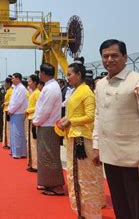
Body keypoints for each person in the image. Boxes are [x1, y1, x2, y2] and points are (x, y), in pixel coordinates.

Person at [92, 39, 139, 219]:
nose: (109, 59)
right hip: (110, 157)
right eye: (105, 56)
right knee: (120, 206)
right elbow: (98, 116)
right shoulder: (100, 85)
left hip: (134, 160)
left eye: (114, 55)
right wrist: (97, 145)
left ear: (125, 57)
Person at [58, 58, 105, 218]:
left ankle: (90, 213)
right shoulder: (76, 91)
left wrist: (71, 121)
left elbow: (91, 116)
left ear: (79, 75)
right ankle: (82, 211)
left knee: (85, 178)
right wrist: (66, 121)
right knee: (76, 176)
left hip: (82, 140)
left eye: (70, 74)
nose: (67, 77)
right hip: (74, 136)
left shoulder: (86, 92)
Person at [33, 63, 65, 196]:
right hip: (46, 124)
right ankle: (47, 182)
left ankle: (56, 186)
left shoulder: (50, 88)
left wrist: (36, 121)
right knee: (45, 155)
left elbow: (45, 110)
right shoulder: (51, 86)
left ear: (43, 74)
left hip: (48, 126)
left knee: (49, 156)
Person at [7, 73, 28, 159]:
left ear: (18, 79)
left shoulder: (21, 88)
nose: (12, 80)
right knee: (14, 133)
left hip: (18, 113)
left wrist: (11, 110)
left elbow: (18, 102)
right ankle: (16, 151)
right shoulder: (15, 88)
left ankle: (19, 153)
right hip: (14, 113)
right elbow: (12, 101)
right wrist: (9, 109)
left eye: (13, 78)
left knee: (18, 134)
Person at [25, 74, 40, 172]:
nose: (28, 83)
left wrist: (28, 110)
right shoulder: (32, 92)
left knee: (34, 143)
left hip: (34, 119)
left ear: (34, 82)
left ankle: (36, 165)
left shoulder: (37, 93)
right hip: (30, 118)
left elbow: (38, 107)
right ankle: (32, 163)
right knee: (31, 142)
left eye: (30, 81)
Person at [3, 77, 13, 149]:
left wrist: (5, 104)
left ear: (9, 83)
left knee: (8, 128)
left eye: (5, 83)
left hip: (8, 110)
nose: (4, 84)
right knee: (6, 127)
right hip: (6, 109)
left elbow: (11, 101)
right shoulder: (8, 90)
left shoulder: (11, 91)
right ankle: (7, 142)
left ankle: (9, 144)